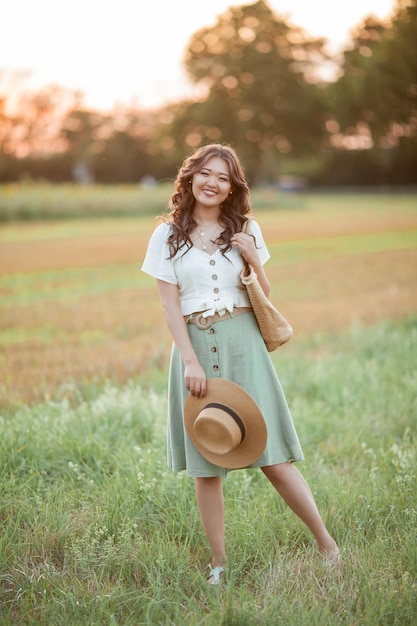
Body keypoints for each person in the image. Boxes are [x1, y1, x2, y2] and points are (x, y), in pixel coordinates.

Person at [141, 144, 340, 584]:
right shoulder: (166, 235)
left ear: (233, 187)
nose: (213, 183)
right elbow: (170, 308)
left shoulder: (247, 227)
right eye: (206, 173)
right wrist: (190, 362)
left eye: (224, 177)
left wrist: (251, 257)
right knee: (207, 463)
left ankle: (328, 547)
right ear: (190, 178)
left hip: (243, 341)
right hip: (195, 347)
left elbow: (264, 291)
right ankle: (219, 564)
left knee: (274, 458)